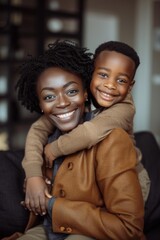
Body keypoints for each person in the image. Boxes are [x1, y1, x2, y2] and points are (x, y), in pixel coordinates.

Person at [16, 39, 145, 240]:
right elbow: (37, 130)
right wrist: (34, 175)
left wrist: (55, 149)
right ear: (91, 75)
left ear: (130, 86)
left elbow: (90, 133)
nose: (110, 85)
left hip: (130, 172)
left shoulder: (123, 108)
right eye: (103, 74)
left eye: (121, 80)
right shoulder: (85, 97)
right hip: (65, 218)